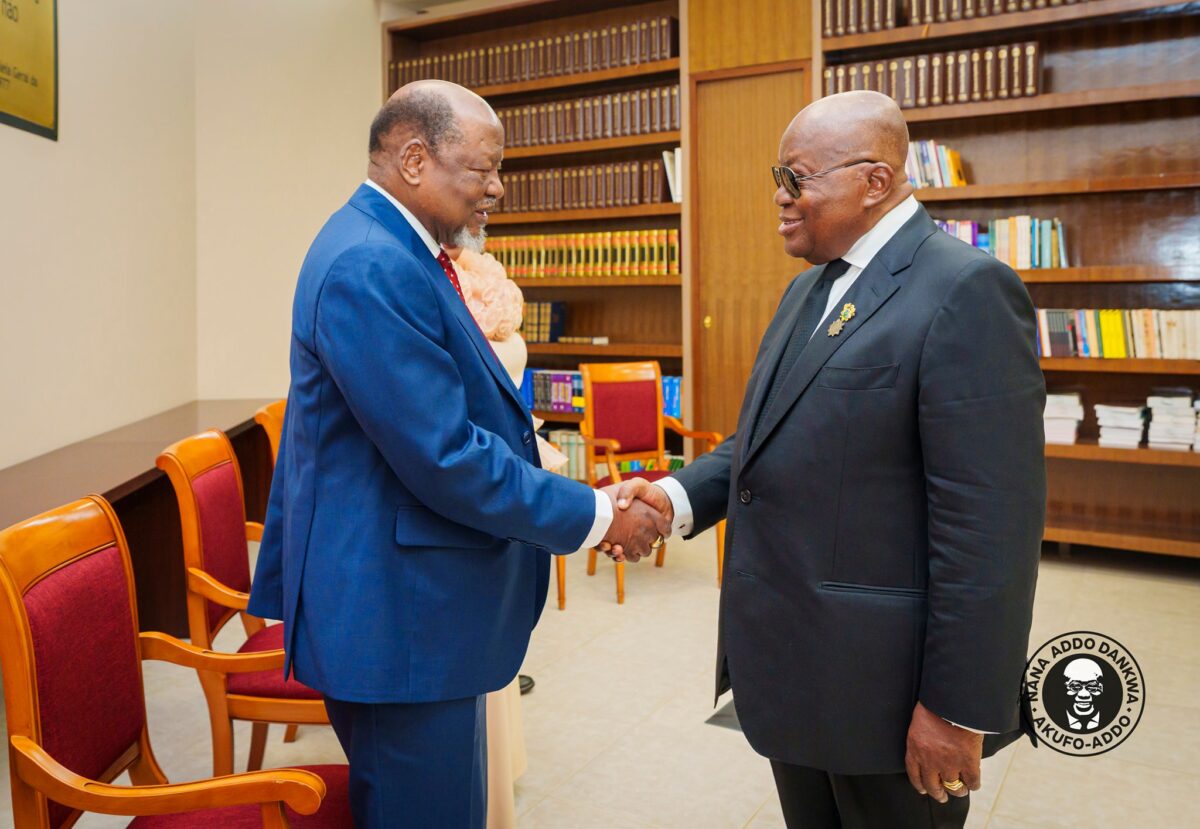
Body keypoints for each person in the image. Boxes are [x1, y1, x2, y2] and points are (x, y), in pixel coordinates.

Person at [611, 90, 1045, 829]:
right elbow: (764, 440)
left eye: (796, 178)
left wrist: (957, 706)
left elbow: (990, 530)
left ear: (874, 182)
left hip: (890, 699)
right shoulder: (807, 289)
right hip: (796, 680)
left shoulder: (965, 291)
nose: (780, 199)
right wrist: (673, 498)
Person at [247, 80, 668, 829]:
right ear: (414, 159)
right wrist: (599, 513)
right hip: (397, 620)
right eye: (484, 169)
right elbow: (444, 456)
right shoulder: (370, 264)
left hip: (414, 607)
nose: (497, 189)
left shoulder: (397, 248)